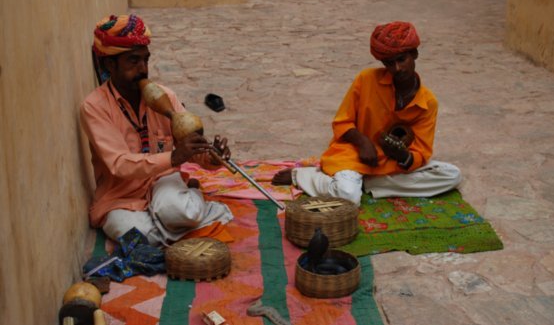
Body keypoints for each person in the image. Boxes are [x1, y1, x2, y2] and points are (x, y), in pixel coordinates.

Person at [81, 14, 233, 246]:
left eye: (146, 60)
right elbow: (119, 164)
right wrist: (173, 157)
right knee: (133, 232)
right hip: (121, 196)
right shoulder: (94, 107)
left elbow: (192, 150)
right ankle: (195, 217)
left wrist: (214, 158)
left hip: (162, 181)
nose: (143, 69)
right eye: (133, 61)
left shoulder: (166, 96)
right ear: (110, 65)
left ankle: (182, 210)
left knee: (175, 213)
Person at [272, 21, 462, 205]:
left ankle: (368, 182)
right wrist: (363, 143)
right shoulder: (366, 79)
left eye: (402, 60)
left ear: (414, 54)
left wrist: (403, 156)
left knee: (452, 175)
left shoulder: (428, 102)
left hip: (390, 165)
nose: (396, 68)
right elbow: (342, 122)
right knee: (348, 197)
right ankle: (305, 176)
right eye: (389, 63)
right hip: (354, 156)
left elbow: (421, 152)